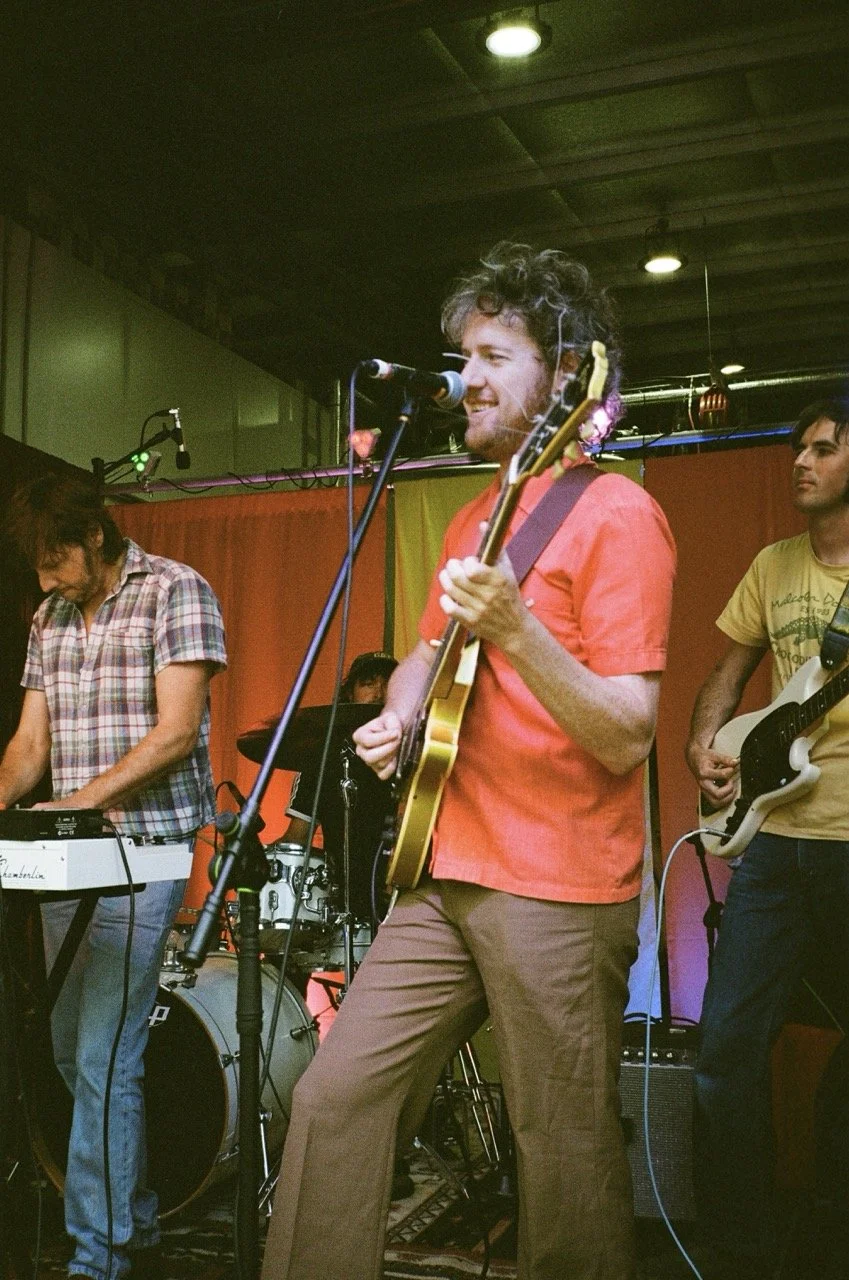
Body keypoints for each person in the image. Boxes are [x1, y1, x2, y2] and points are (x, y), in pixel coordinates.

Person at [260, 242, 676, 1280]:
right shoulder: (474, 512)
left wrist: (525, 631)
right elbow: (423, 658)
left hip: (561, 889)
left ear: (564, 370)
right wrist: (396, 712)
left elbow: (628, 728)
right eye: (462, 353)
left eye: (494, 352)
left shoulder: (619, 512)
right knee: (333, 1095)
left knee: (563, 1154)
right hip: (445, 874)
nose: (466, 378)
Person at [0, 474, 227, 1280]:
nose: (44, 577)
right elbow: (31, 746)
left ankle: (100, 1256)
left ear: (96, 536)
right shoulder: (48, 615)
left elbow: (176, 732)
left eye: (55, 558)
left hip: (144, 851)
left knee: (104, 1057)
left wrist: (79, 803)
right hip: (70, 851)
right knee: (70, 1051)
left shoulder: (175, 592)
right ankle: (131, 1217)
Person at [685, 399, 849, 1280]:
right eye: (797, 447)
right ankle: (739, 1245)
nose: (800, 461)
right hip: (774, 835)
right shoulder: (772, 563)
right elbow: (727, 670)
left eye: (824, 448)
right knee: (724, 1052)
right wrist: (702, 745)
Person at [281, 650, 397, 924]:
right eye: (368, 683)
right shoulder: (322, 761)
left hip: (405, 896)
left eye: (389, 683)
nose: (379, 692)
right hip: (339, 900)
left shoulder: (418, 754)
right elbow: (297, 839)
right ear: (349, 694)